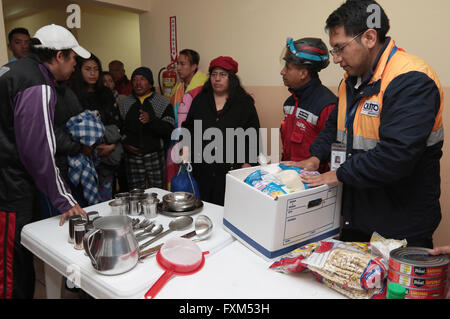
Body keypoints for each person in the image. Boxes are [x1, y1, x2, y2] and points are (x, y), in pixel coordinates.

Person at [289, 0, 444, 248]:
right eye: (334, 51)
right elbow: (335, 126)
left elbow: (396, 155)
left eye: (340, 48)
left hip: (400, 226)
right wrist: (315, 158)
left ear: (370, 37)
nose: (337, 59)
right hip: (357, 217)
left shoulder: (412, 79)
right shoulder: (351, 81)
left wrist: (337, 174)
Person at [0, 24, 88, 299]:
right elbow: (37, 151)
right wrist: (65, 200)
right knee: (11, 270)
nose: (75, 65)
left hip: (8, 180)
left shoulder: (15, 70)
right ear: (59, 56)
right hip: (9, 187)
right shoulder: (37, 84)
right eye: (74, 58)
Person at [181, 56, 260, 206]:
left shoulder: (244, 103)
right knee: (204, 207)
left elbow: (253, 135)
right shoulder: (200, 101)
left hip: (232, 169)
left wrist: (248, 163)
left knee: (229, 209)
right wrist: (185, 149)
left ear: (231, 78)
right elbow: (188, 128)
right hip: (203, 168)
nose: (217, 79)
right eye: (214, 74)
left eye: (223, 75)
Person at [280, 37, 337, 172]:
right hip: (292, 177)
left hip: (314, 182)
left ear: (303, 73)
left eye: (287, 67)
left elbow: (332, 150)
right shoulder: (290, 103)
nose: (282, 72)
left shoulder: (327, 105)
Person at [71, 54, 122, 202]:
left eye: (96, 69)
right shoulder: (72, 93)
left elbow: (117, 122)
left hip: (107, 154)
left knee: (106, 200)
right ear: (79, 70)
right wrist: (89, 146)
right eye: (88, 69)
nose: (93, 73)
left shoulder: (105, 93)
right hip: (83, 155)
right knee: (85, 201)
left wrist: (112, 146)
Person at [118, 67, 175, 190]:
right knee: (135, 194)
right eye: (135, 79)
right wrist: (125, 143)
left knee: (158, 192)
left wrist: (152, 120)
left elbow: (169, 128)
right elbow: (118, 128)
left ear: (150, 83)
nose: (138, 83)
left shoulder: (162, 102)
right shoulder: (124, 103)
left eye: (142, 79)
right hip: (132, 156)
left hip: (155, 155)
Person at [166, 49, 209, 189]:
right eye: (178, 63)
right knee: (180, 183)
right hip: (177, 140)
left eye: (182, 64)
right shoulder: (178, 88)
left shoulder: (204, 88)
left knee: (196, 183)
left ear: (194, 66)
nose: (178, 68)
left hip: (197, 142)